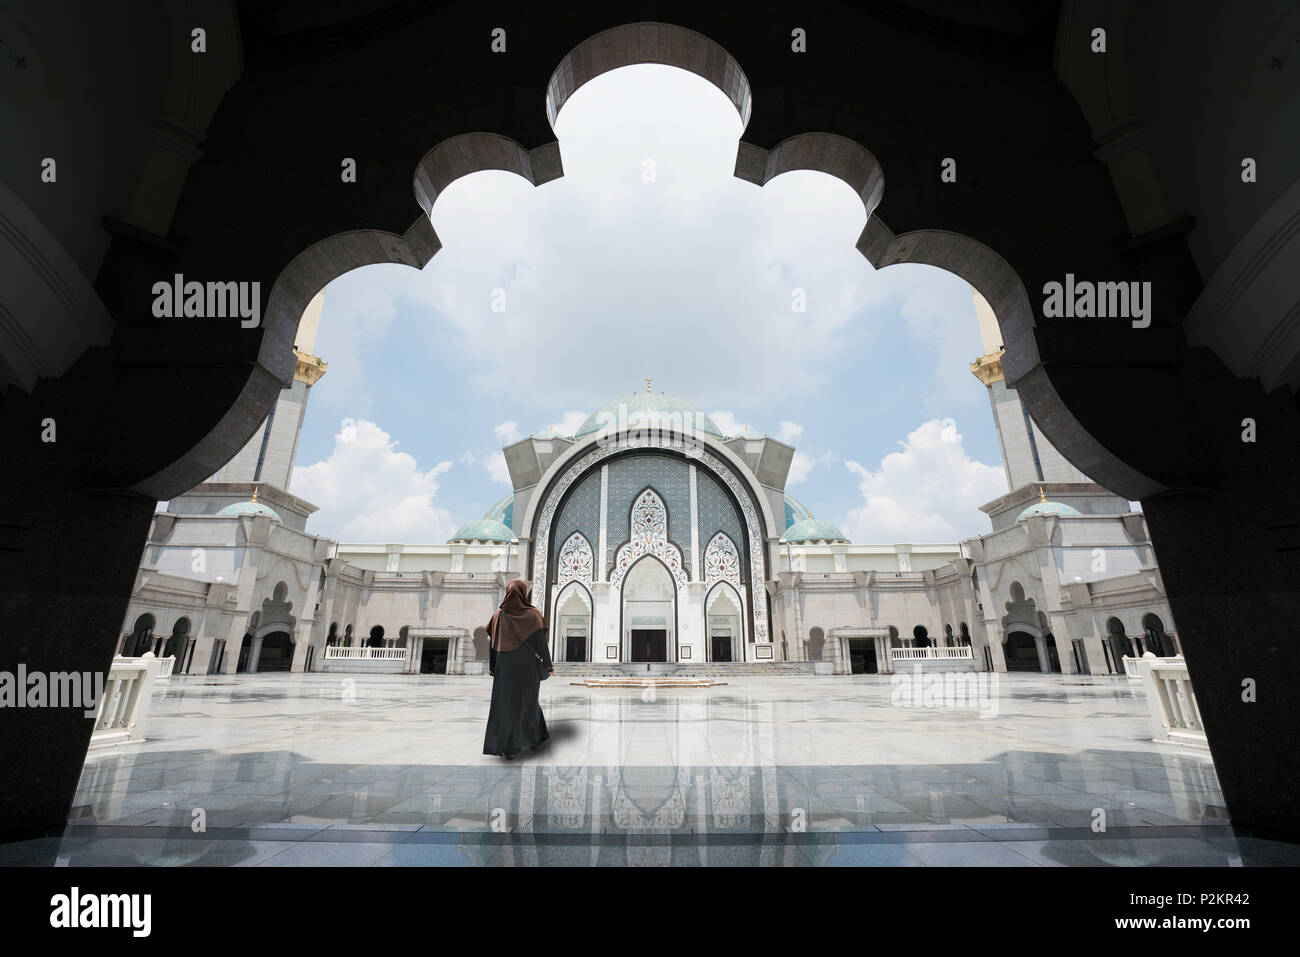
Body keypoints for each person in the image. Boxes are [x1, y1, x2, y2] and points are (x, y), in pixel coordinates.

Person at [482, 578, 554, 759]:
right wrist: (548, 664)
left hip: (505, 668)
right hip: (527, 668)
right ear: (524, 593)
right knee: (527, 702)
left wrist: (493, 667)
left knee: (506, 705)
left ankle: (511, 747)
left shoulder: (498, 616)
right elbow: (540, 643)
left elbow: (493, 644)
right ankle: (530, 738)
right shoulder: (533, 615)